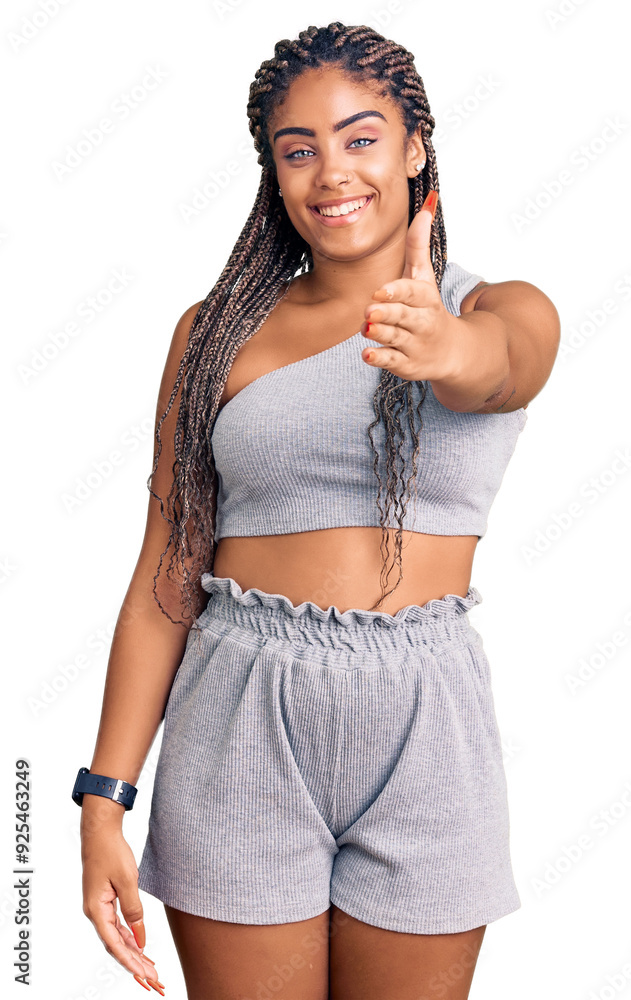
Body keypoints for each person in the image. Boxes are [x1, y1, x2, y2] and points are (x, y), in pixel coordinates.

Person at [76, 21, 560, 1000]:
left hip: (425, 722)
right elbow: (167, 578)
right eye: (298, 150)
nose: (330, 172)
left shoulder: (495, 308)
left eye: (360, 136)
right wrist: (102, 800)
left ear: (415, 144)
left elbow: (500, 371)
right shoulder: (214, 335)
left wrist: (444, 351)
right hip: (239, 713)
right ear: (274, 171)